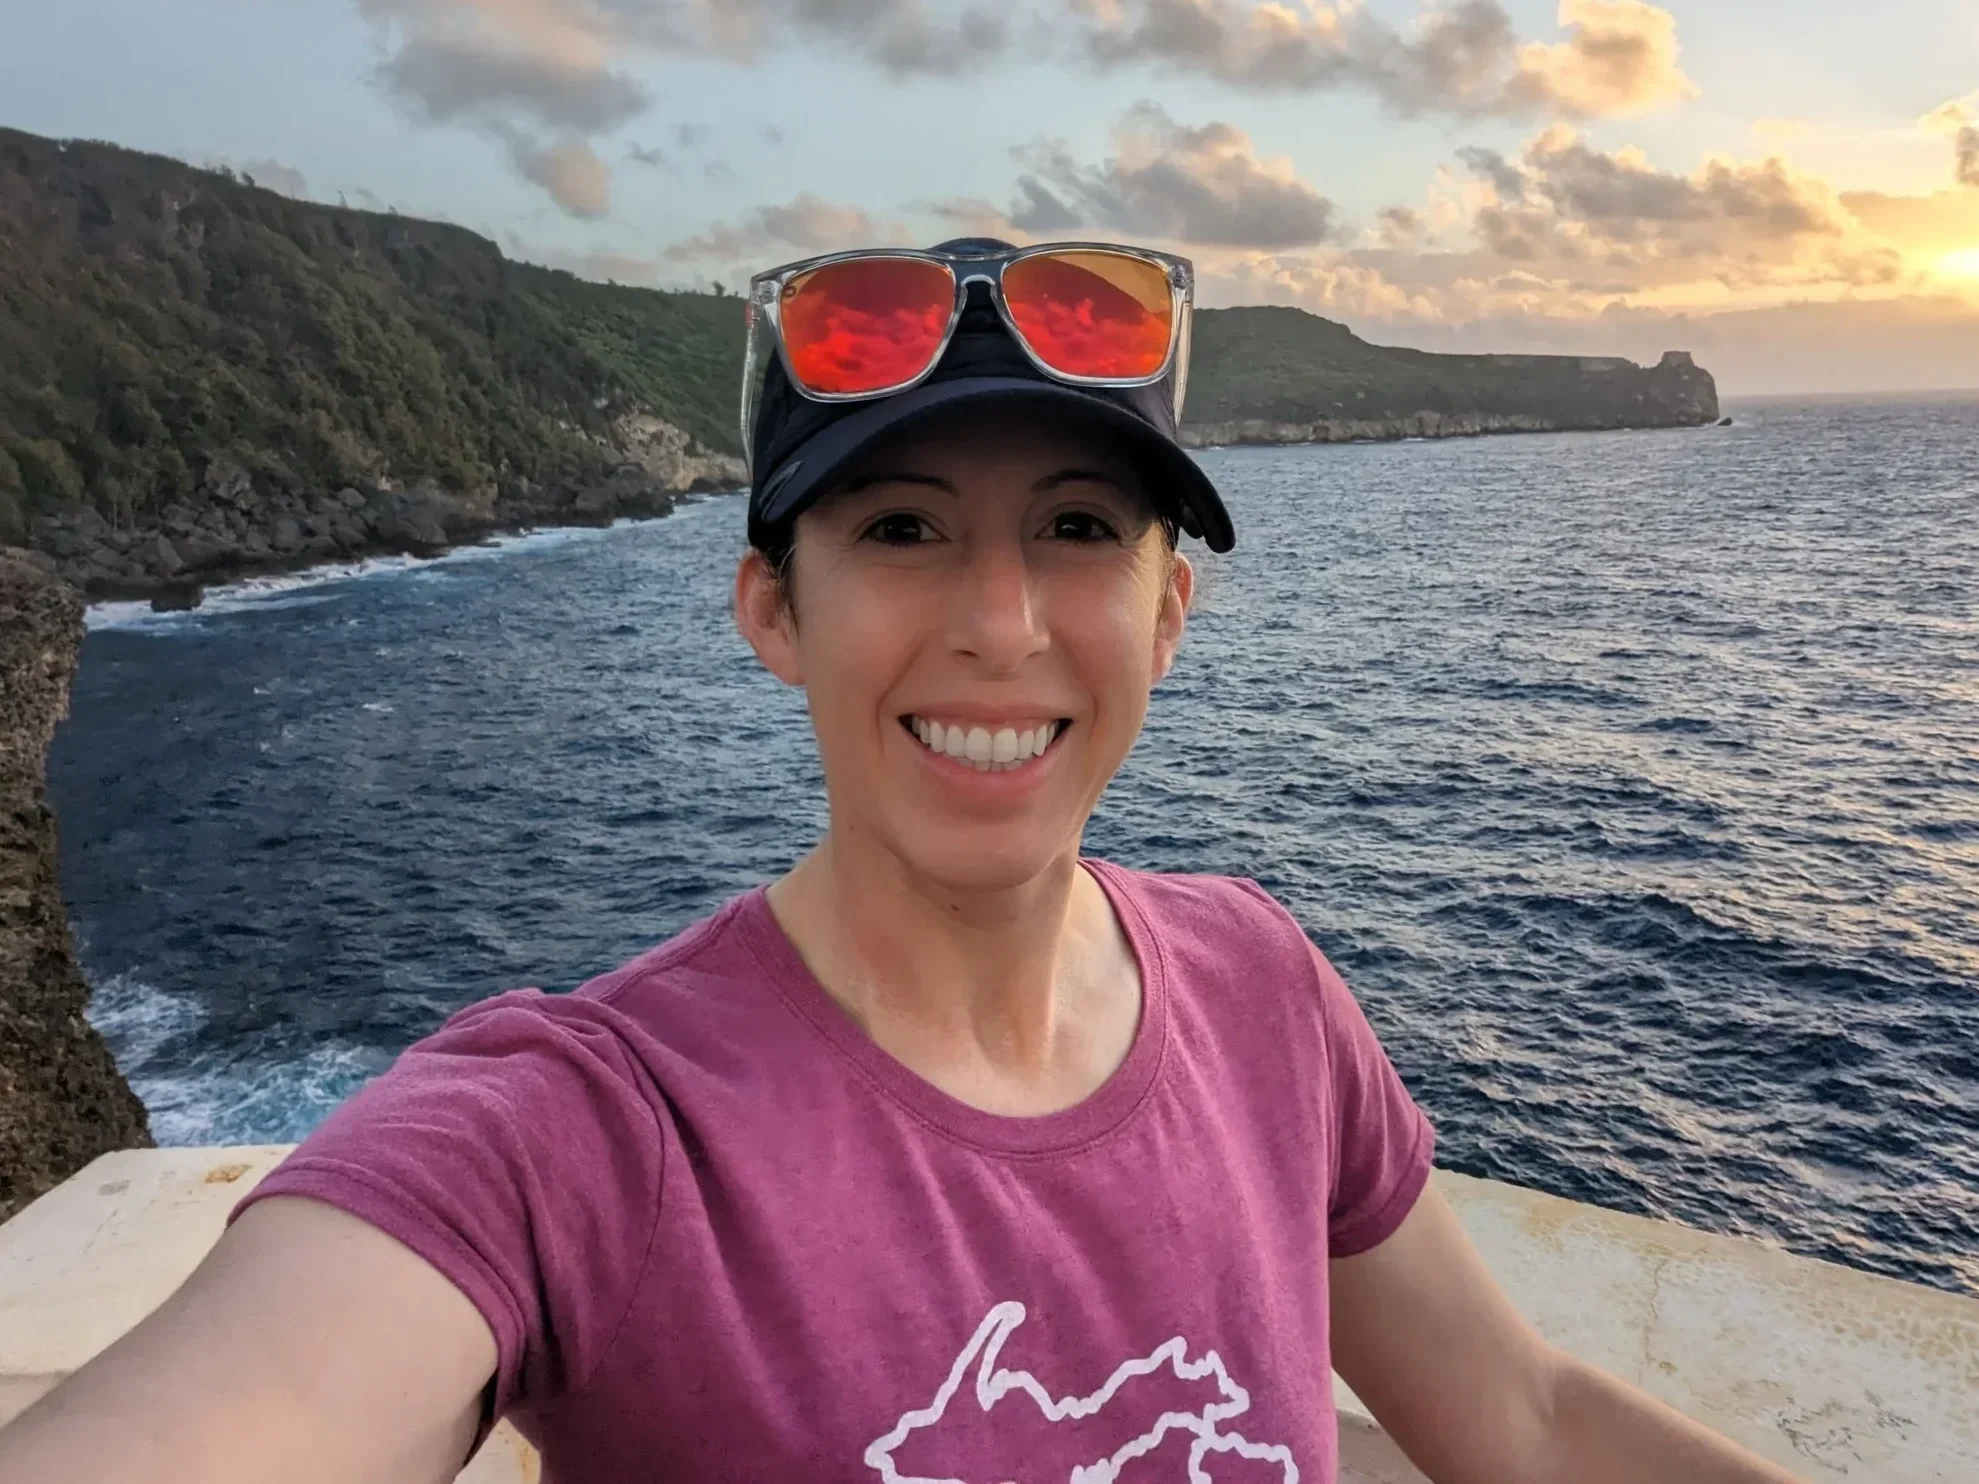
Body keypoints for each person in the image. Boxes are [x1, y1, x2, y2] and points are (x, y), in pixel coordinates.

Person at [0, 238, 1805, 1484]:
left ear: (1169, 613)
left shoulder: (1264, 989)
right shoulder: (581, 1132)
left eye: (1080, 530)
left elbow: (1530, 1422)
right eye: (904, 528)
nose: (1004, 624)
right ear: (776, 611)